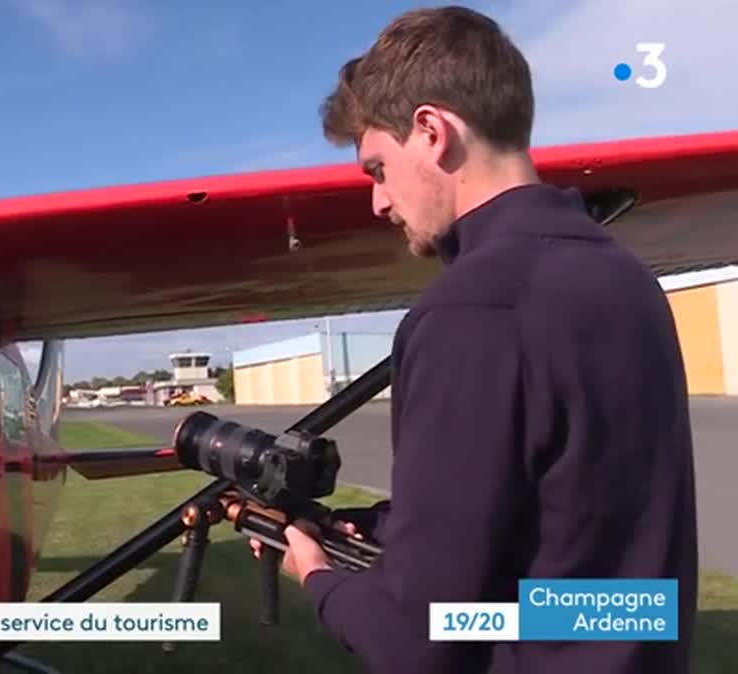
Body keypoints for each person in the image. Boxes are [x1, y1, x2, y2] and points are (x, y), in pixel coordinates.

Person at [249, 6, 698, 674]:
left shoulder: (470, 310)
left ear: (431, 132)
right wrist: (385, 527)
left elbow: (415, 635)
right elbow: (574, 527)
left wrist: (318, 578)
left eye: (376, 167)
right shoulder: (629, 279)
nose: (378, 202)